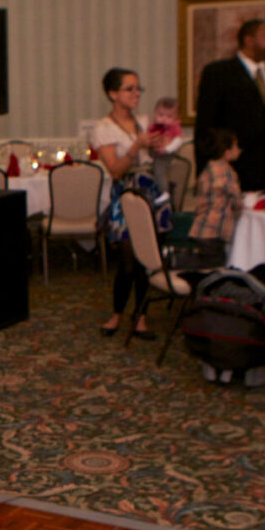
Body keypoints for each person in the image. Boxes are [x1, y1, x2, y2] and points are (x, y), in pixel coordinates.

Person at [92, 68, 163, 340]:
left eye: (138, 89)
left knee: (148, 259)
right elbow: (116, 170)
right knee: (128, 260)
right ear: (113, 94)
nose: (136, 94)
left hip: (150, 192)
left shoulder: (144, 121)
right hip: (126, 195)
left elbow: (155, 159)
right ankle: (117, 314)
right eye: (130, 89)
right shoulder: (104, 128)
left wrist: (160, 146)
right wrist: (137, 146)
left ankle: (141, 317)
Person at [194, 19, 265, 192]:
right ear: (249, 40)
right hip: (233, 172)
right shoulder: (218, 73)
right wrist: (204, 171)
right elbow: (205, 124)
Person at [179, 128, 243, 269]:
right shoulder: (227, 172)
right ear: (227, 151)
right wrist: (240, 211)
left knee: (207, 258)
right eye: (236, 146)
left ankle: (182, 263)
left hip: (202, 225)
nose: (239, 150)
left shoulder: (208, 168)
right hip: (215, 229)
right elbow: (236, 199)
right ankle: (179, 262)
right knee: (214, 262)